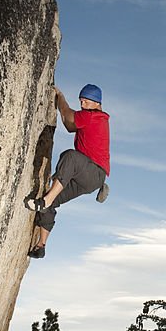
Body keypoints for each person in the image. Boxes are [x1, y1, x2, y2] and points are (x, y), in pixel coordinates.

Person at [25, 83, 110, 258]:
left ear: (97, 103)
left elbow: (68, 114)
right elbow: (70, 126)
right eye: (81, 101)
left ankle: (46, 201)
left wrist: (60, 98)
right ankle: (41, 245)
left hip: (94, 173)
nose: (83, 105)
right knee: (53, 200)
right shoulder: (90, 117)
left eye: (86, 101)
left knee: (70, 156)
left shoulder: (93, 116)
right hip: (85, 177)